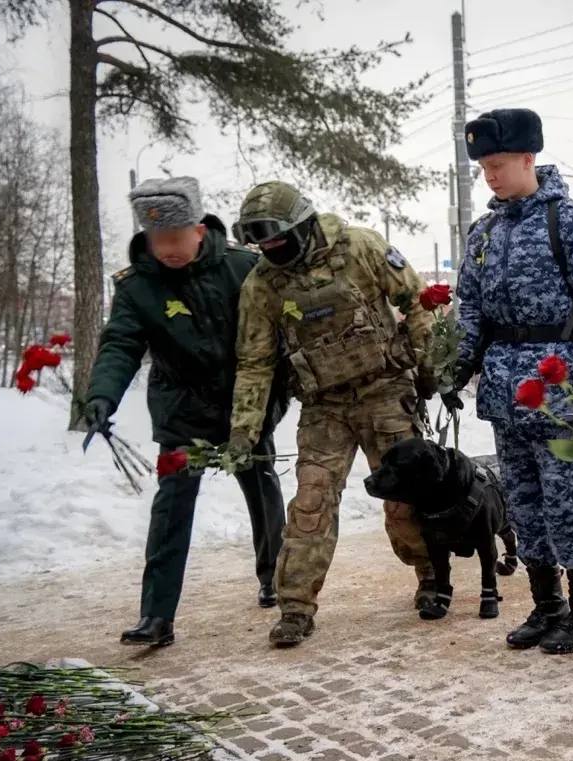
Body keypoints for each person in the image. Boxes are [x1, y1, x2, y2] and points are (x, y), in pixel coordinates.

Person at [453, 108, 573, 654]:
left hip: (561, 390)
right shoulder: (483, 234)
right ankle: (546, 605)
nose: (490, 175)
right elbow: (470, 306)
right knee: (522, 501)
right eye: (484, 166)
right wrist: (458, 361)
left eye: (499, 164)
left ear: (529, 158)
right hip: (505, 392)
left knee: (565, 500)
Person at [227, 180, 438, 647]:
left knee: (407, 496)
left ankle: (431, 576)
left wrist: (430, 368)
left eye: (278, 240)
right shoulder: (262, 285)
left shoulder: (361, 247)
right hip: (324, 407)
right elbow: (255, 361)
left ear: (302, 226)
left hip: (385, 392)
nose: (271, 250)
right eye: (263, 244)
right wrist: (243, 430)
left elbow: (418, 303)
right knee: (311, 502)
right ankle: (295, 606)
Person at [85, 176, 288, 648]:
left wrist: (275, 394)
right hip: (182, 410)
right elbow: (120, 344)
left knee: (262, 489)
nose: (167, 250)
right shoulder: (138, 286)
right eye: (158, 239)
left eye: (175, 238)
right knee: (171, 506)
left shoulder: (243, 267)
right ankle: (156, 616)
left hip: (244, 406)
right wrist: (102, 396)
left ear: (199, 230)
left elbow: (277, 330)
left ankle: (274, 577)